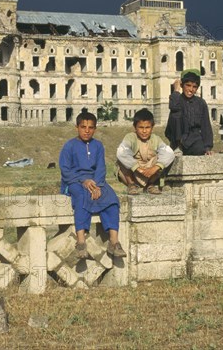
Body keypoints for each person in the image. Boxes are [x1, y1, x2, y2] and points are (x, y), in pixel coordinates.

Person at [59, 112, 127, 259]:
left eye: (91, 127)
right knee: (82, 196)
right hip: (75, 181)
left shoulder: (98, 146)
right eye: (83, 127)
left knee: (111, 198)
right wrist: (83, 181)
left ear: (95, 129)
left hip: (96, 181)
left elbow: (101, 168)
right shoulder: (69, 146)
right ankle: (81, 241)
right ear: (77, 127)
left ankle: (114, 242)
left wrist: (97, 186)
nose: (87, 130)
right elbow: (65, 170)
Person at [117, 108, 175, 195]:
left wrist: (154, 168)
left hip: (150, 173)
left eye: (147, 127)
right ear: (135, 127)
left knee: (163, 158)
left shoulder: (156, 139)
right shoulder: (130, 137)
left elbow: (169, 153)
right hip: (134, 172)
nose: (144, 131)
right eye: (141, 127)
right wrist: (137, 168)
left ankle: (150, 185)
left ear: (152, 127)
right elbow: (122, 152)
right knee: (122, 157)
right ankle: (131, 185)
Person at [164, 69, 213, 155]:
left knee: (200, 149)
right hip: (178, 136)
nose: (191, 89)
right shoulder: (177, 98)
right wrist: (176, 90)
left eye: (194, 87)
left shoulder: (201, 103)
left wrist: (207, 147)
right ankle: (177, 146)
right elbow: (173, 107)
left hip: (194, 138)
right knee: (176, 113)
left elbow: (206, 125)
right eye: (188, 85)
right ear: (182, 85)